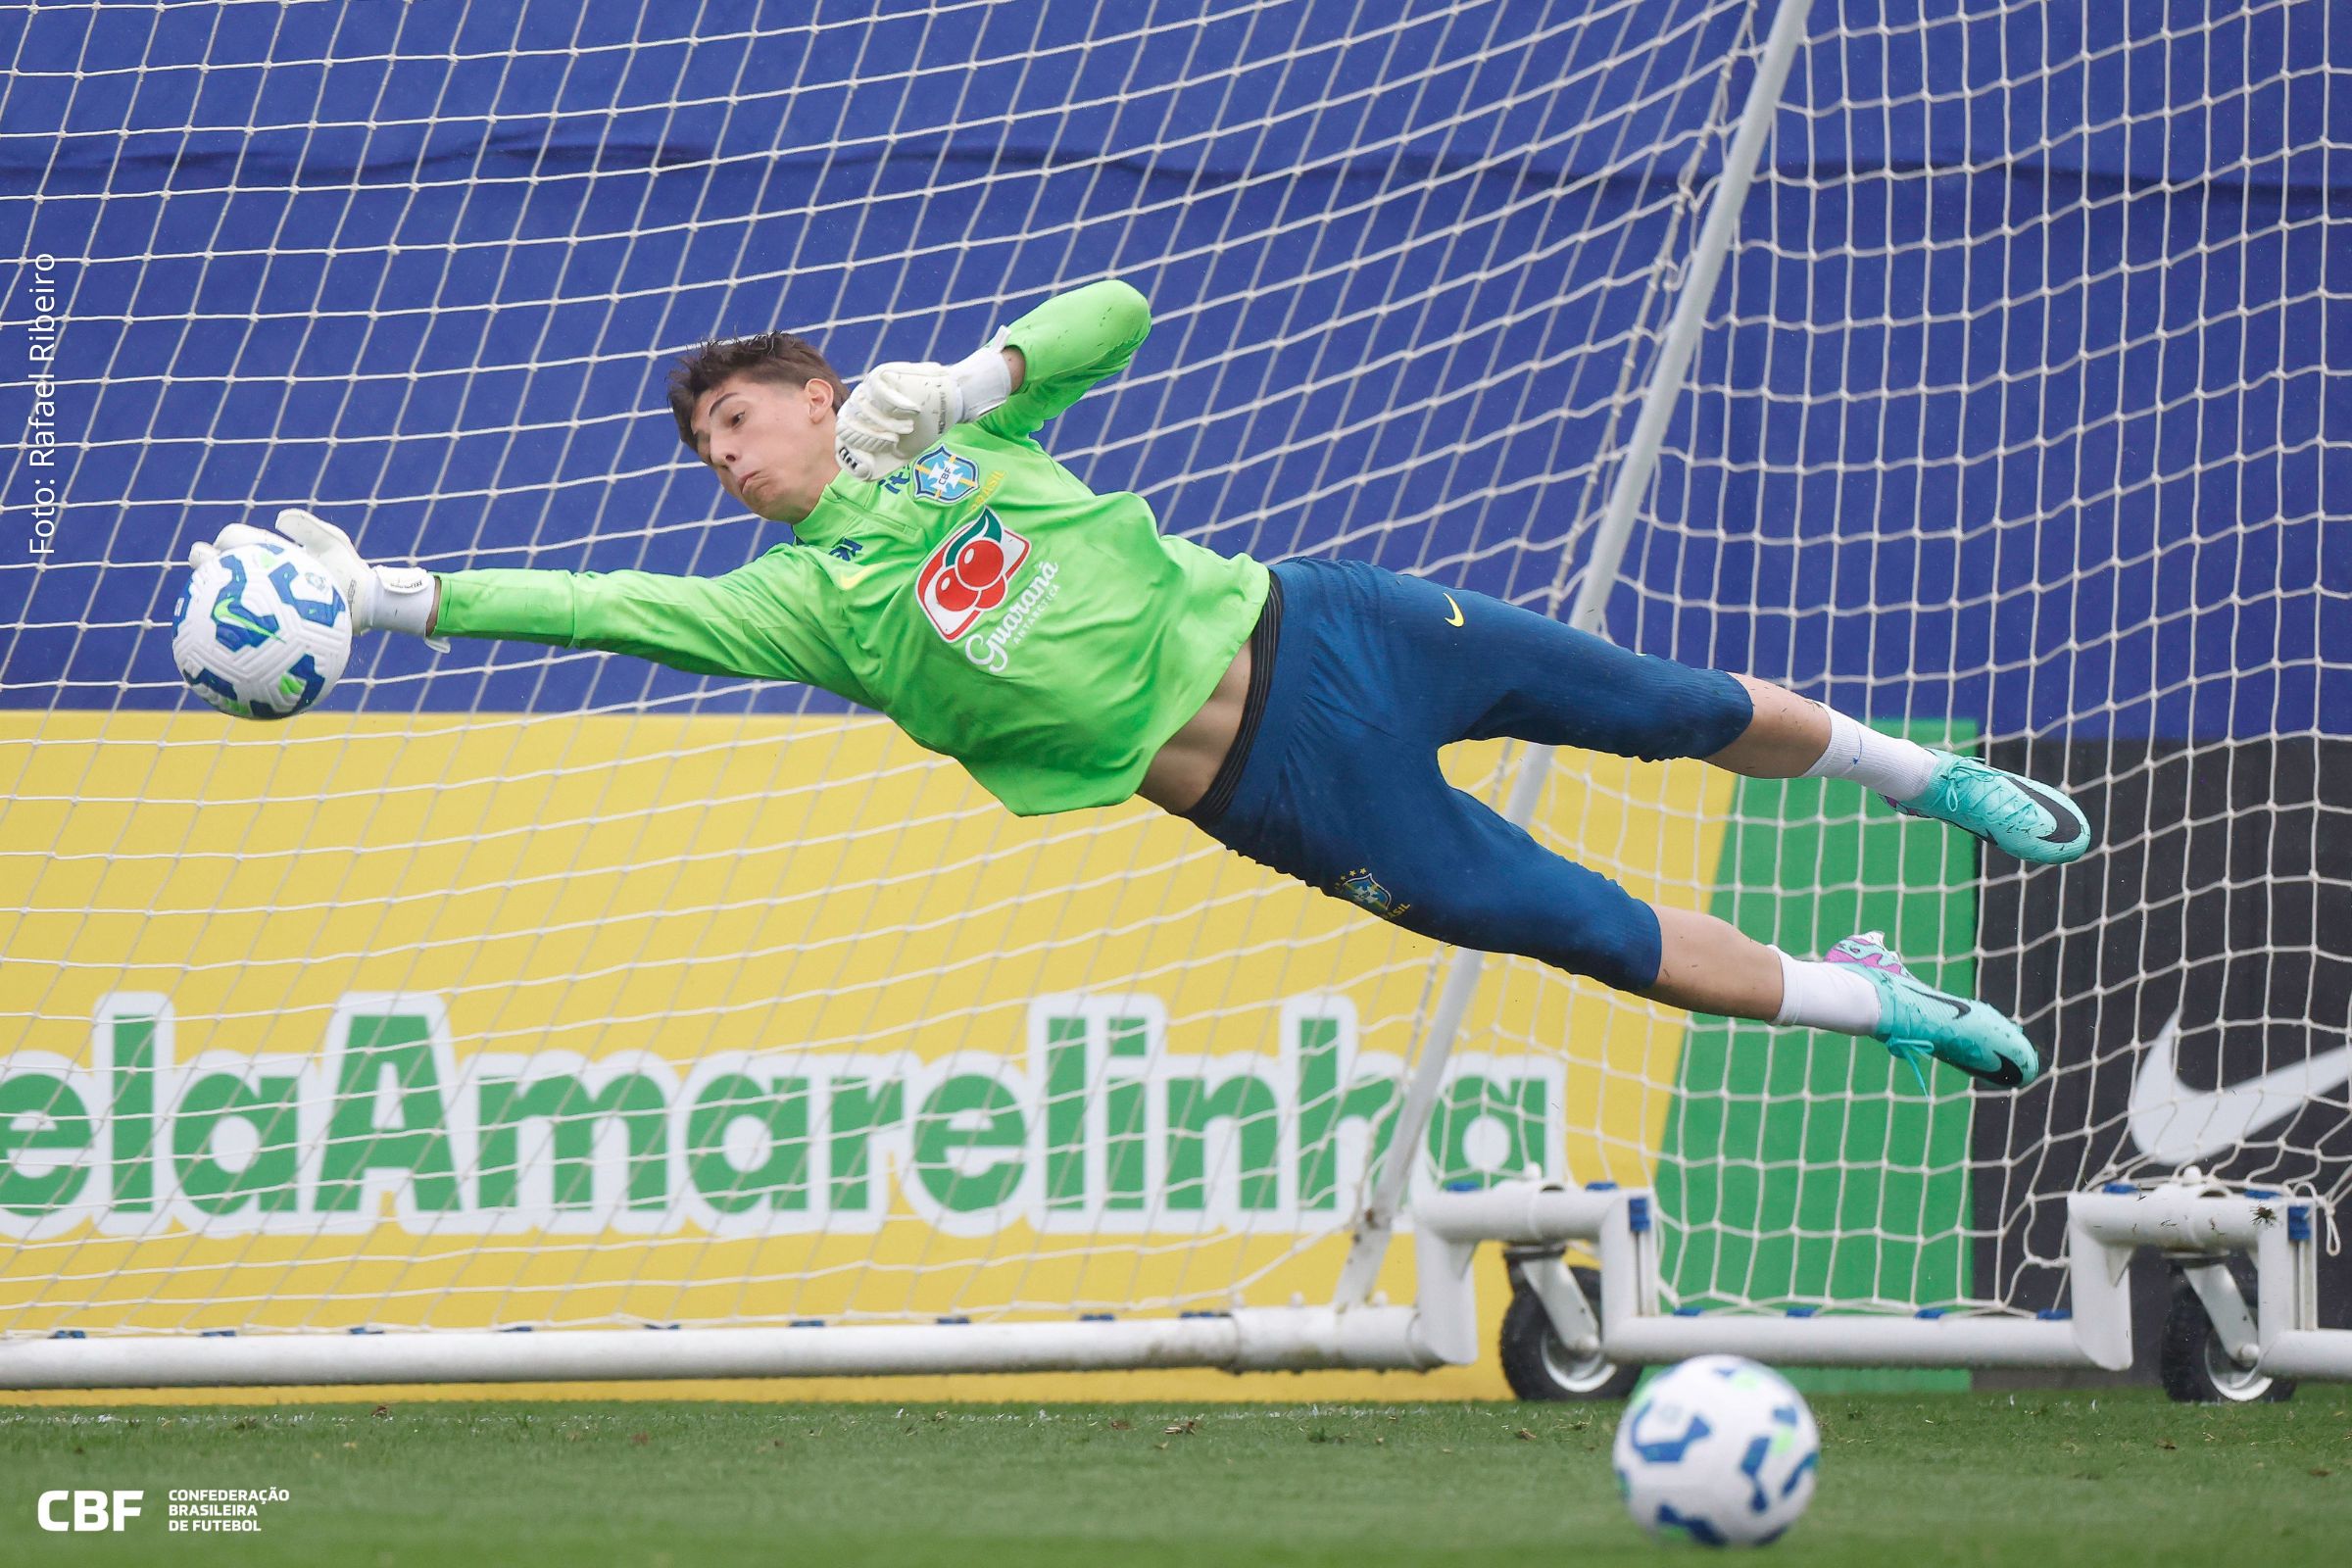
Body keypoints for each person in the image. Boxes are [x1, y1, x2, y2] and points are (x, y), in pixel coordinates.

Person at [190, 279, 2090, 1091]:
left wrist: (990, 375)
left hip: (1319, 624)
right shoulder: (806, 608)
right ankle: (1881, 999)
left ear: (818, 388)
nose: (725, 458)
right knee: (1571, 926)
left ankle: (1924, 777)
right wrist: (393, 594)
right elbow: (602, 608)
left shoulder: (938, 431)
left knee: (1659, 700)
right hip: (1279, 794)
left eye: (737, 419)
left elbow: (1125, 313)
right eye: (705, 451)